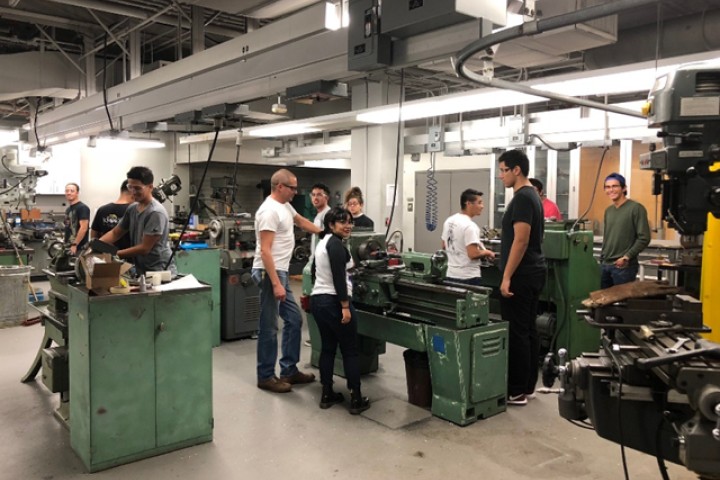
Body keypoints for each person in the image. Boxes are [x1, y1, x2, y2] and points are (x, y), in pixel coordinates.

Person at [252, 168, 322, 393]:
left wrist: (327, 233)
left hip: (279, 271)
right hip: (268, 272)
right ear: (279, 187)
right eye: (292, 187)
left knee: (293, 320)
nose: (295, 191)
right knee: (269, 326)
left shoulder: (284, 205)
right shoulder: (269, 211)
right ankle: (265, 376)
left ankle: (289, 370)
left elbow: (301, 222)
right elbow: (265, 251)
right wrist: (276, 283)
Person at [498, 149, 547, 406]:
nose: (501, 176)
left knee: (517, 331)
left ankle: (516, 390)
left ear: (517, 170)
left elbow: (521, 239)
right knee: (528, 329)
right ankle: (527, 386)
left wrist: (506, 276)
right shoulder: (533, 196)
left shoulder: (522, 199)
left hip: (522, 274)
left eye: (504, 170)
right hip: (534, 270)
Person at [310, 207, 371, 414]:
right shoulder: (336, 245)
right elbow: (338, 278)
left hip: (318, 301)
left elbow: (314, 272)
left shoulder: (322, 244)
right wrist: (345, 306)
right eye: (342, 222)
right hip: (335, 302)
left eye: (350, 222)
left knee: (328, 347)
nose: (348, 226)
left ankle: (327, 394)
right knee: (350, 351)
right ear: (331, 225)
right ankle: (356, 398)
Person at [99, 166, 176, 276]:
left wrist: (114, 255)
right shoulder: (132, 208)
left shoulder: (155, 213)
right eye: (130, 187)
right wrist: (95, 246)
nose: (133, 192)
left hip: (159, 272)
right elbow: (116, 232)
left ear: (150, 187)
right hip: (142, 270)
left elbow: (145, 248)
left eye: (137, 188)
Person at [600, 172, 651, 289]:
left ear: (624, 188)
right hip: (605, 264)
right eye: (607, 187)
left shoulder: (636, 208)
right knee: (604, 304)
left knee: (622, 304)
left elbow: (644, 237)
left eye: (615, 186)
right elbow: (608, 237)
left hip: (623, 267)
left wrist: (627, 257)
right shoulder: (609, 211)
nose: (611, 190)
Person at [441, 189, 495, 286]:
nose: (482, 206)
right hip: (468, 277)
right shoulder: (470, 226)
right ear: (468, 204)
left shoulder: (449, 221)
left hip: (451, 275)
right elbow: (473, 254)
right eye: (479, 203)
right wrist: (488, 252)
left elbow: (444, 245)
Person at [90, 180, 133, 251]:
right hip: (127, 256)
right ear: (132, 192)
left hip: (104, 256)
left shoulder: (102, 209)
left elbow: (93, 235)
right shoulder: (133, 211)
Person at [64, 182, 90, 256]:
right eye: (67, 191)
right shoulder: (68, 209)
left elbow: (84, 228)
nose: (69, 193)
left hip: (78, 248)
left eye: (72, 191)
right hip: (69, 246)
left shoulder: (82, 208)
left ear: (77, 193)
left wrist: (75, 244)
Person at [310, 182, 332, 254]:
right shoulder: (319, 214)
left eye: (319, 195)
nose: (315, 198)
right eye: (313, 195)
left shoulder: (328, 214)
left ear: (327, 197)